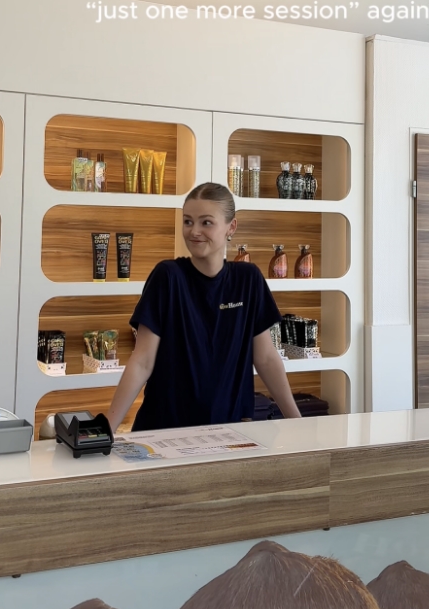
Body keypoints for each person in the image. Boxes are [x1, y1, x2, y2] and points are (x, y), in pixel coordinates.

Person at [107, 182, 301, 432]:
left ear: (231, 227)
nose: (194, 231)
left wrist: (297, 423)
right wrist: (106, 430)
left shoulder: (248, 279)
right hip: (165, 430)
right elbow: (142, 360)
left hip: (230, 432)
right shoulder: (168, 277)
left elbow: (265, 358)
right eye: (188, 221)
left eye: (206, 222)